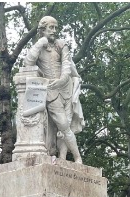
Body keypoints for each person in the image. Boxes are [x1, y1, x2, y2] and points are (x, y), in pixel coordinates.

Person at [21, 16, 84, 163]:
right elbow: (28, 63)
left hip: (66, 88)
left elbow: (66, 66)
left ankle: (64, 157)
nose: (54, 30)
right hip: (50, 92)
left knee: (66, 126)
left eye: (56, 27)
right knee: (63, 125)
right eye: (51, 27)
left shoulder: (61, 44)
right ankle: (77, 157)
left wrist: (61, 80)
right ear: (43, 29)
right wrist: (39, 44)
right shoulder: (39, 46)